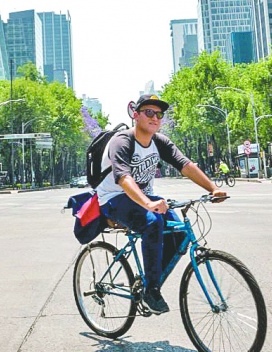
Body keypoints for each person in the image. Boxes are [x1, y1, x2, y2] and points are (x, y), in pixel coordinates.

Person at [95, 93, 227, 315]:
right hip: (114, 198)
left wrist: (212, 189)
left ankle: (148, 282)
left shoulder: (159, 142)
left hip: (143, 199)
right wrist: (147, 203)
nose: (155, 118)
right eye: (149, 112)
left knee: (180, 235)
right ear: (136, 115)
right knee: (152, 222)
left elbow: (184, 165)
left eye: (159, 114)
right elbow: (123, 178)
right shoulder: (123, 141)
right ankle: (152, 291)